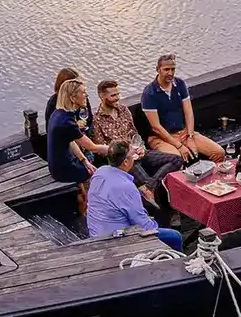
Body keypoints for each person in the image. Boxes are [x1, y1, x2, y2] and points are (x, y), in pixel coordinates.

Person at [95, 79, 177, 209]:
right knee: (150, 181)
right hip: (123, 160)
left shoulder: (123, 110)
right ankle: (166, 214)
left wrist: (141, 148)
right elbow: (102, 149)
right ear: (101, 96)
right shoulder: (96, 120)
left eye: (118, 94)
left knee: (176, 159)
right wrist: (127, 152)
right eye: (113, 95)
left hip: (137, 152)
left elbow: (134, 133)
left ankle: (150, 186)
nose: (117, 98)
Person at [86, 141, 183, 250]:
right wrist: (156, 226)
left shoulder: (100, 172)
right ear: (126, 162)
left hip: (95, 233)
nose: (135, 158)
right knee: (175, 236)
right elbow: (144, 225)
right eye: (133, 155)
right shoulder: (126, 186)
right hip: (115, 240)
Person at [140, 54, 224, 163]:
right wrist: (179, 146)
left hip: (183, 132)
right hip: (161, 137)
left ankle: (215, 179)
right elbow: (156, 127)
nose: (170, 73)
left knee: (219, 152)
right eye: (166, 69)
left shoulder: (180, 84)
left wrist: (190, 136)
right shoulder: (149, 93)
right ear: (158, 70)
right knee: (176, 159)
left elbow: (188, 112)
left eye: (173, 69)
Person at [47, 79, 113, 214]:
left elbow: (70, 141)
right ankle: (92, 211)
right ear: (72, 97)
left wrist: (84, 160)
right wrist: (120, 149)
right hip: (65, 169)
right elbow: (93, 147)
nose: (86, 96)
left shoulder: (58, 114)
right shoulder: (67, 122)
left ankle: (87, 206)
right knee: (101, 176)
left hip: (57, 166)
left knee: (91, 167)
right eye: (83, 93)